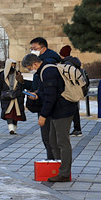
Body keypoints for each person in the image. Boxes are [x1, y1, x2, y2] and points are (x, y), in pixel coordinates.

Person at [23, 51, 76, 184]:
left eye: (29, 68)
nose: (30, 70)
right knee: (53, 140)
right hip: (56, 110)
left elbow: (51, 97)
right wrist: (37, 94)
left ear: (34, 64)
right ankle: (57, 168)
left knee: (62, 142)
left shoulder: (48, 72)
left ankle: (64, 173)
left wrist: (43, 115)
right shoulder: (44, 70)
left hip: (62, 110)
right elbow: (46, 91)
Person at [27, 37, 64, 160]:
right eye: (31, 49)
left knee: (50, 138)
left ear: (43, 48)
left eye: (35, 48)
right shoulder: (43, 63)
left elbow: (50, 92)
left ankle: (54, 162)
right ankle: (52, 161)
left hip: (49, 105)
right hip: (45, 102)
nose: (33, 51)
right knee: (49, 138)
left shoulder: (48, 64)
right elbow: (41, 86)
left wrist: (43, 114)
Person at [0, 60, 27, 134]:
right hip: (6, 97)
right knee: (8, 113)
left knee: (16, 113)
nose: (13, 66)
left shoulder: (17, 73)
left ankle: (14, 129)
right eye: (12, 65)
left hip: (17, 97)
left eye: (14, 65)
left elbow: (21, 85)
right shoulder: (2, 74)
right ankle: (11, 129)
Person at [58, 46, 83, 136]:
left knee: (70, 109)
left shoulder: (67, 63)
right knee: (75, 109)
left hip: (69, 89)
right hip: (75, 88)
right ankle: (77, 128)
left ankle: (76, 129)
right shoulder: (74, 62)